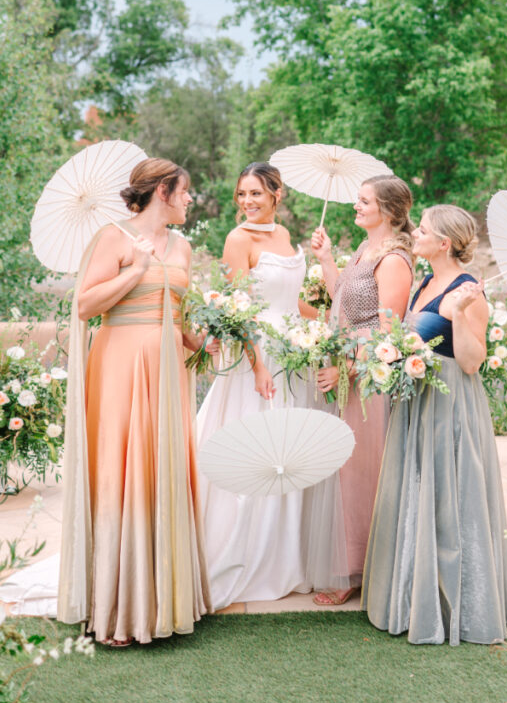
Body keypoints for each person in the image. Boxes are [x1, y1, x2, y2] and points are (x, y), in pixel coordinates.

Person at [57, 158, 211, 646]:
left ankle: (163, 599)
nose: (190, 200)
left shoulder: (184, 246)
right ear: (163, 190)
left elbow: (182, 318)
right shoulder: (114, 238)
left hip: (167, 371)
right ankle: (116, 610)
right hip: (121, 366)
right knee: (121, 474)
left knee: (160, 472)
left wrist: (214, 339)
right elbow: (85, 305)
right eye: (185, 192)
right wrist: (137, 269)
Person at [362, 204, 507, 645]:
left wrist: (459, 315)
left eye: (423, 230)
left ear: (443, 243)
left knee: (451, 496)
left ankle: (456, 605)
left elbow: (472, 362)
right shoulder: (425, 282)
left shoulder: (470, 291)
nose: (415, 233)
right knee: (418, 493)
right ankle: (415, 594)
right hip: (418, 398)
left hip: (451, 403)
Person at [196, 162, 346, 608]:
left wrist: (329, 325)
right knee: (259, 448)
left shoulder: (285, 238)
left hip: (292, 353)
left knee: (288, 451)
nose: (247, 202)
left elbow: (290, 301)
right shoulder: (237, 239)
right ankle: (242, 554)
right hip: (257, 359)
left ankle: (285, 560)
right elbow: (238, 309)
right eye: (242, 194)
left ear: (277, 194)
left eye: (256, 194)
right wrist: (257, 364)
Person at [311, 175, 414, 605]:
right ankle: (353, 565)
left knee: (362, 474)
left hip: (368, 380)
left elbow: (386, 332)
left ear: (388, 211)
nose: (356, 205)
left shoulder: (393, 260)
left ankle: (362, 570)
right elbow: (343, 301)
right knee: (345, 470)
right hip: (347, 370)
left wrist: (347, 370)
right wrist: (327, 257)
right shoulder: (364, 251)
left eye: (364, 201)